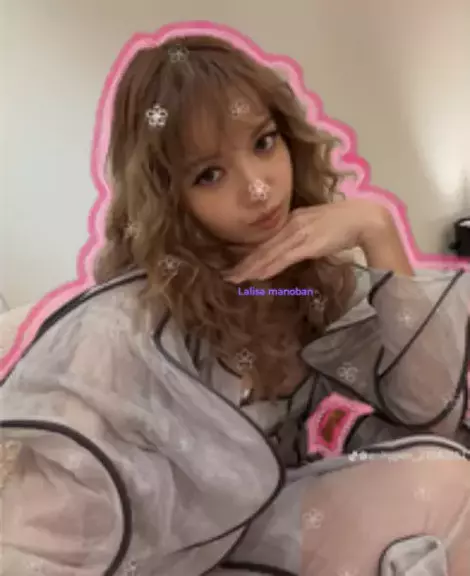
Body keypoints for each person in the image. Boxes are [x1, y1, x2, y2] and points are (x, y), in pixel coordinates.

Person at [1, 33, 470, 576]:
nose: (258, 189)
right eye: (209, 174)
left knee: (445, 471)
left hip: (264, 523)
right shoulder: (125, 333)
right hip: (183, 561)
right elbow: (33, 547)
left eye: (264, 143)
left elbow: (428, 407)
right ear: (168, 196)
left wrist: (377, 229)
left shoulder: (296, 281)